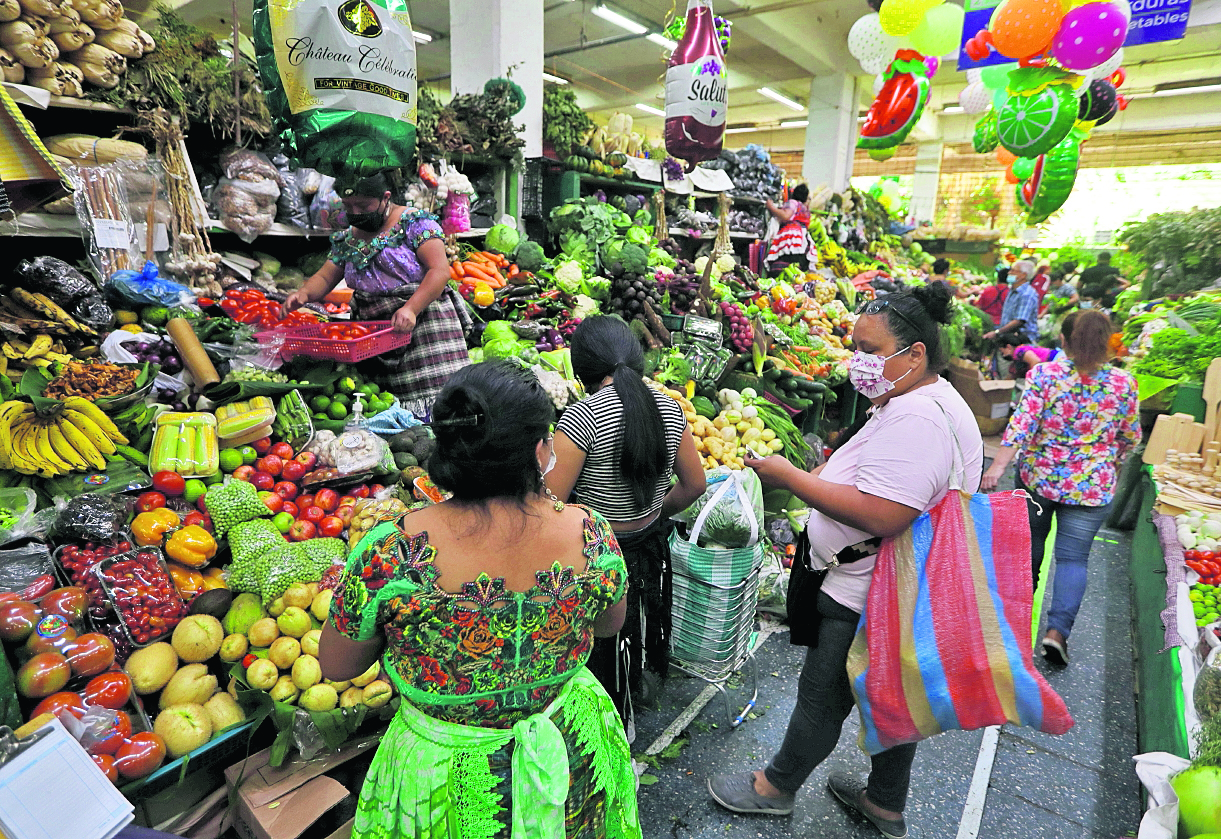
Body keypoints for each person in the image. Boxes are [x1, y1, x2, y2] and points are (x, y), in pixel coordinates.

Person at [318, 361, 642, 839]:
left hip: (440, 781)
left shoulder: (391, 551)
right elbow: (610, 625)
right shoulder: (589, 533)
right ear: (538, 449)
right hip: (567, 753)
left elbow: (337, 665)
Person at [707, 284, 983, 839]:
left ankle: (775, 788)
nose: (857, 360)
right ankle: (884, 802)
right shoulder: (929, 401)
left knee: (821, 695)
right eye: (854, 345)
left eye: (869, 349)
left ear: (915, 355)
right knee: (890, 697)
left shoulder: (920, 422)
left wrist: (790, 477)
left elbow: (883, 514)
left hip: (868, 589)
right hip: (901, 584)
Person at [547, 316, 706, 729]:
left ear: (580, 369)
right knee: (635, 626)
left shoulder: (582, 418)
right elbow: (694, 485)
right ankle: (632, 693)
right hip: (648, 545)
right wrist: (653, 516)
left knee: (600, 645)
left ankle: (604, 724)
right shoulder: (670, 408)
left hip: (597, 557)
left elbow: (550, 503)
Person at [981, 310, 1140, 667]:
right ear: (1107, 343)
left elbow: (1021, 425)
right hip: (1092, 486)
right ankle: (1056, 634)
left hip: (1040, 478)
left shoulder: (1044, 374)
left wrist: (998, 467)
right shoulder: (1124, 384)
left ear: (1064, 341)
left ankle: (1013, 631)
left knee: (1029, 551)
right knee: (1072, 559)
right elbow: (1130, 437)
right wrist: (1107, 462)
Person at [282, 172, 470, 410]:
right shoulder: (348, 238)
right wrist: (304, 294)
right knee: (383, 406)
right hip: (375, 337)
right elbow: (325, 276)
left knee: (441, 407)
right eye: (349, 206)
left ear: (385, 198)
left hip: (424, 329)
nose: (356, 213)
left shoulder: (414, 223)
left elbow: (440, 271)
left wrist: (411, 308)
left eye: (363, 205)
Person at [764, 184, 817, 274]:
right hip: (802, 238)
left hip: (791, 236)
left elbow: (785, 215)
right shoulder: (804, 208)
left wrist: (771, 207)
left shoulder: (793, 203)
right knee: (798, 264)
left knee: (785, 261)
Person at [985, 259, 1039, 345]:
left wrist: (997, 332)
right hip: (1009, 338)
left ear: (1023, 275)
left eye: (1013, 270)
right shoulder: (1012, 290)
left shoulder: (1027, 294)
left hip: (1022, 341)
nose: (1009, 273)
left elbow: (1019, 321)